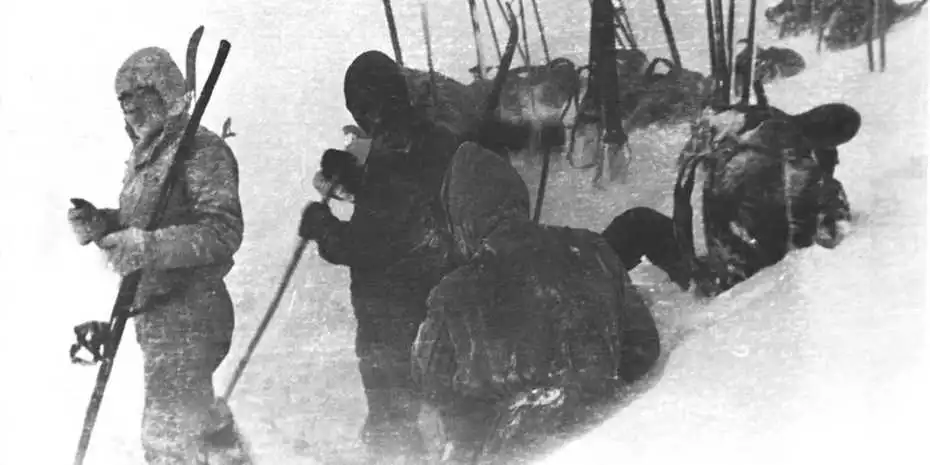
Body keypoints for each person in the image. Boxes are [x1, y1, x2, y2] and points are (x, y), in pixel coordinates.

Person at [412, 142, 661, 463]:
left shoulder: (454, 292)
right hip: (605, 434)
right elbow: (643, 347)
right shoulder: (592, 249)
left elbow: (432, 384)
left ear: (463, 217)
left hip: (512, 450)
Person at [66, 46, 252, 465]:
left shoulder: (200, 150)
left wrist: (145, 247)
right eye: (123, 98)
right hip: (158, 316)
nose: (130, 106)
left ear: (166, 91)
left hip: (191, 312)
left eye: (141, 93)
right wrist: (104, 224)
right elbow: (147, 222)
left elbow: (222, 232)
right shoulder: (148, 159)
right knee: (197, 429)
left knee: (169, 440)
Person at [298, 50, 462, 463]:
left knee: (395, 417)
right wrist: (350, 176)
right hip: (441, 294)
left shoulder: (389, 147)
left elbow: (368, 242)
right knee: (445, 402)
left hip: (393, 310)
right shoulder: (430, 135)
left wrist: (324, 228)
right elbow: (399, 197)